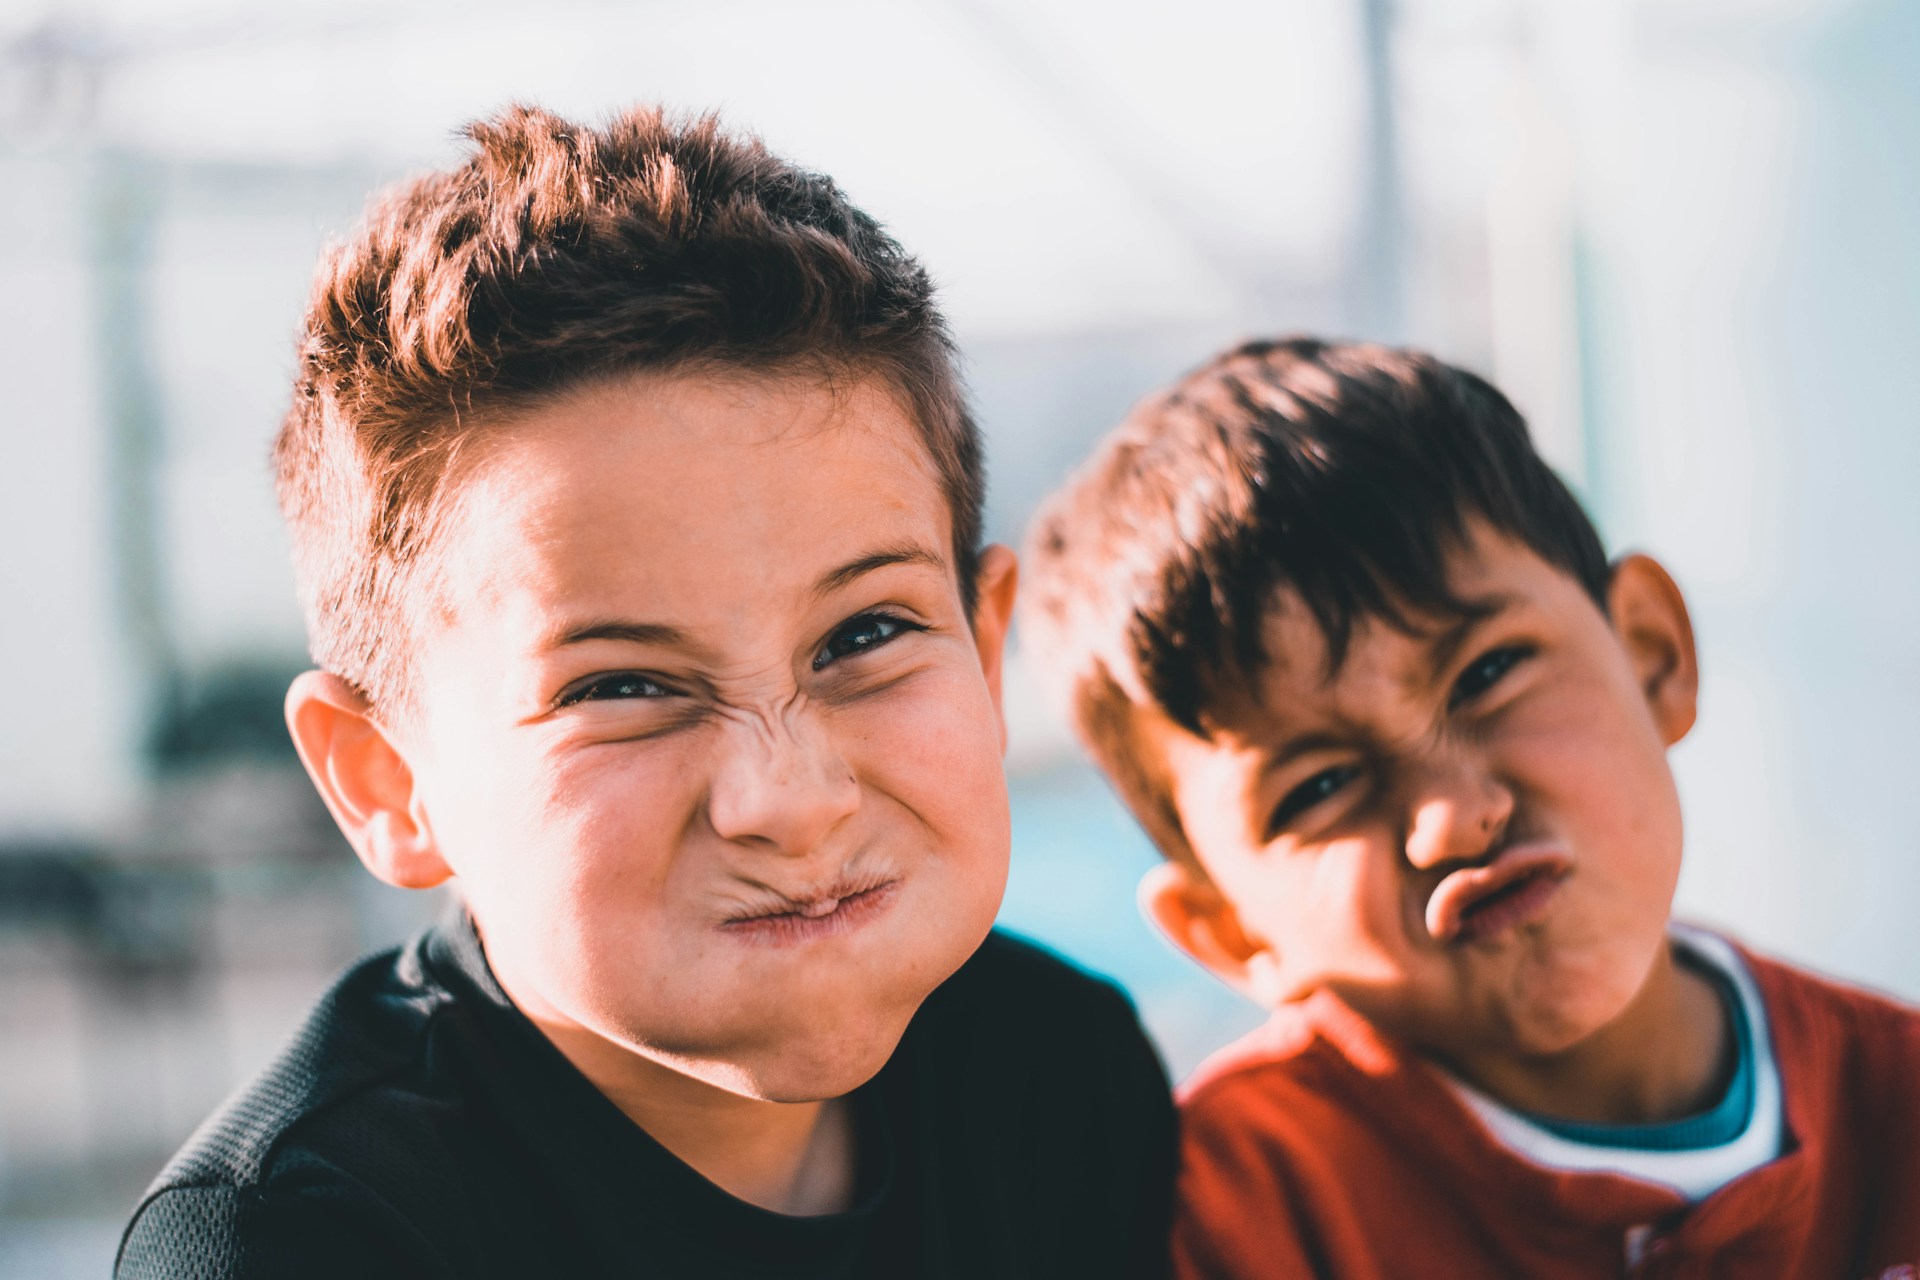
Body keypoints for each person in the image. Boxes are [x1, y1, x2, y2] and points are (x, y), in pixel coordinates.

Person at [115, 104, 1175, 1280]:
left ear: (986, 648)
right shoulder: (302, 1240)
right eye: (621, 684)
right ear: (388, 781)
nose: (789, 798)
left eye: (863, 633)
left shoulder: (1061, 1076)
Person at [1019, 336, 1920, 1276]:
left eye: (1488, 673)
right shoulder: (1222, 1222)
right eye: (1319, 786)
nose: (1450, 819)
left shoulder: (1896, 1103)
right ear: (1228, 933)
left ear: (1652, 653)